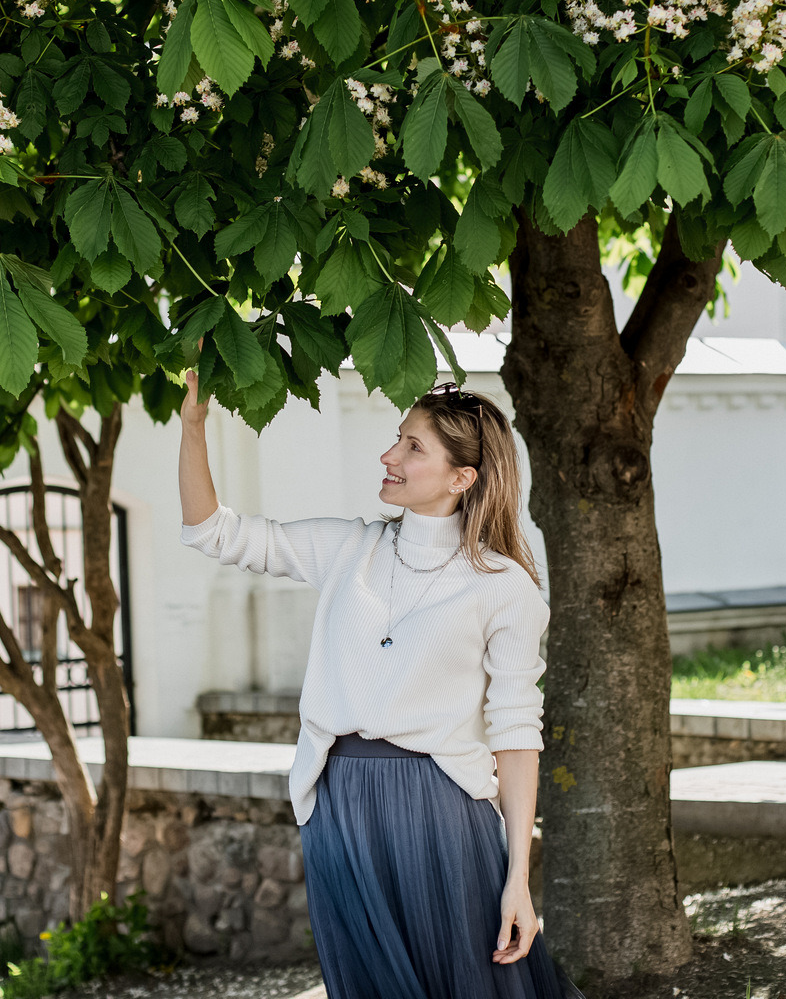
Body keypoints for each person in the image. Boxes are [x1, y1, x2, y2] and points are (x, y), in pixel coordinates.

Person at [178, 372, 584, 998]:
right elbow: (216, 532)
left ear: (462, 478)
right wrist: (195, 427)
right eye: (398, 438)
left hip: (438, 812)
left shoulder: (503, 587)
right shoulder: (350, 548)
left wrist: (518, 879)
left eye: (413, 447)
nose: (388, 456)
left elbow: (516, 733)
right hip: (337, 804)